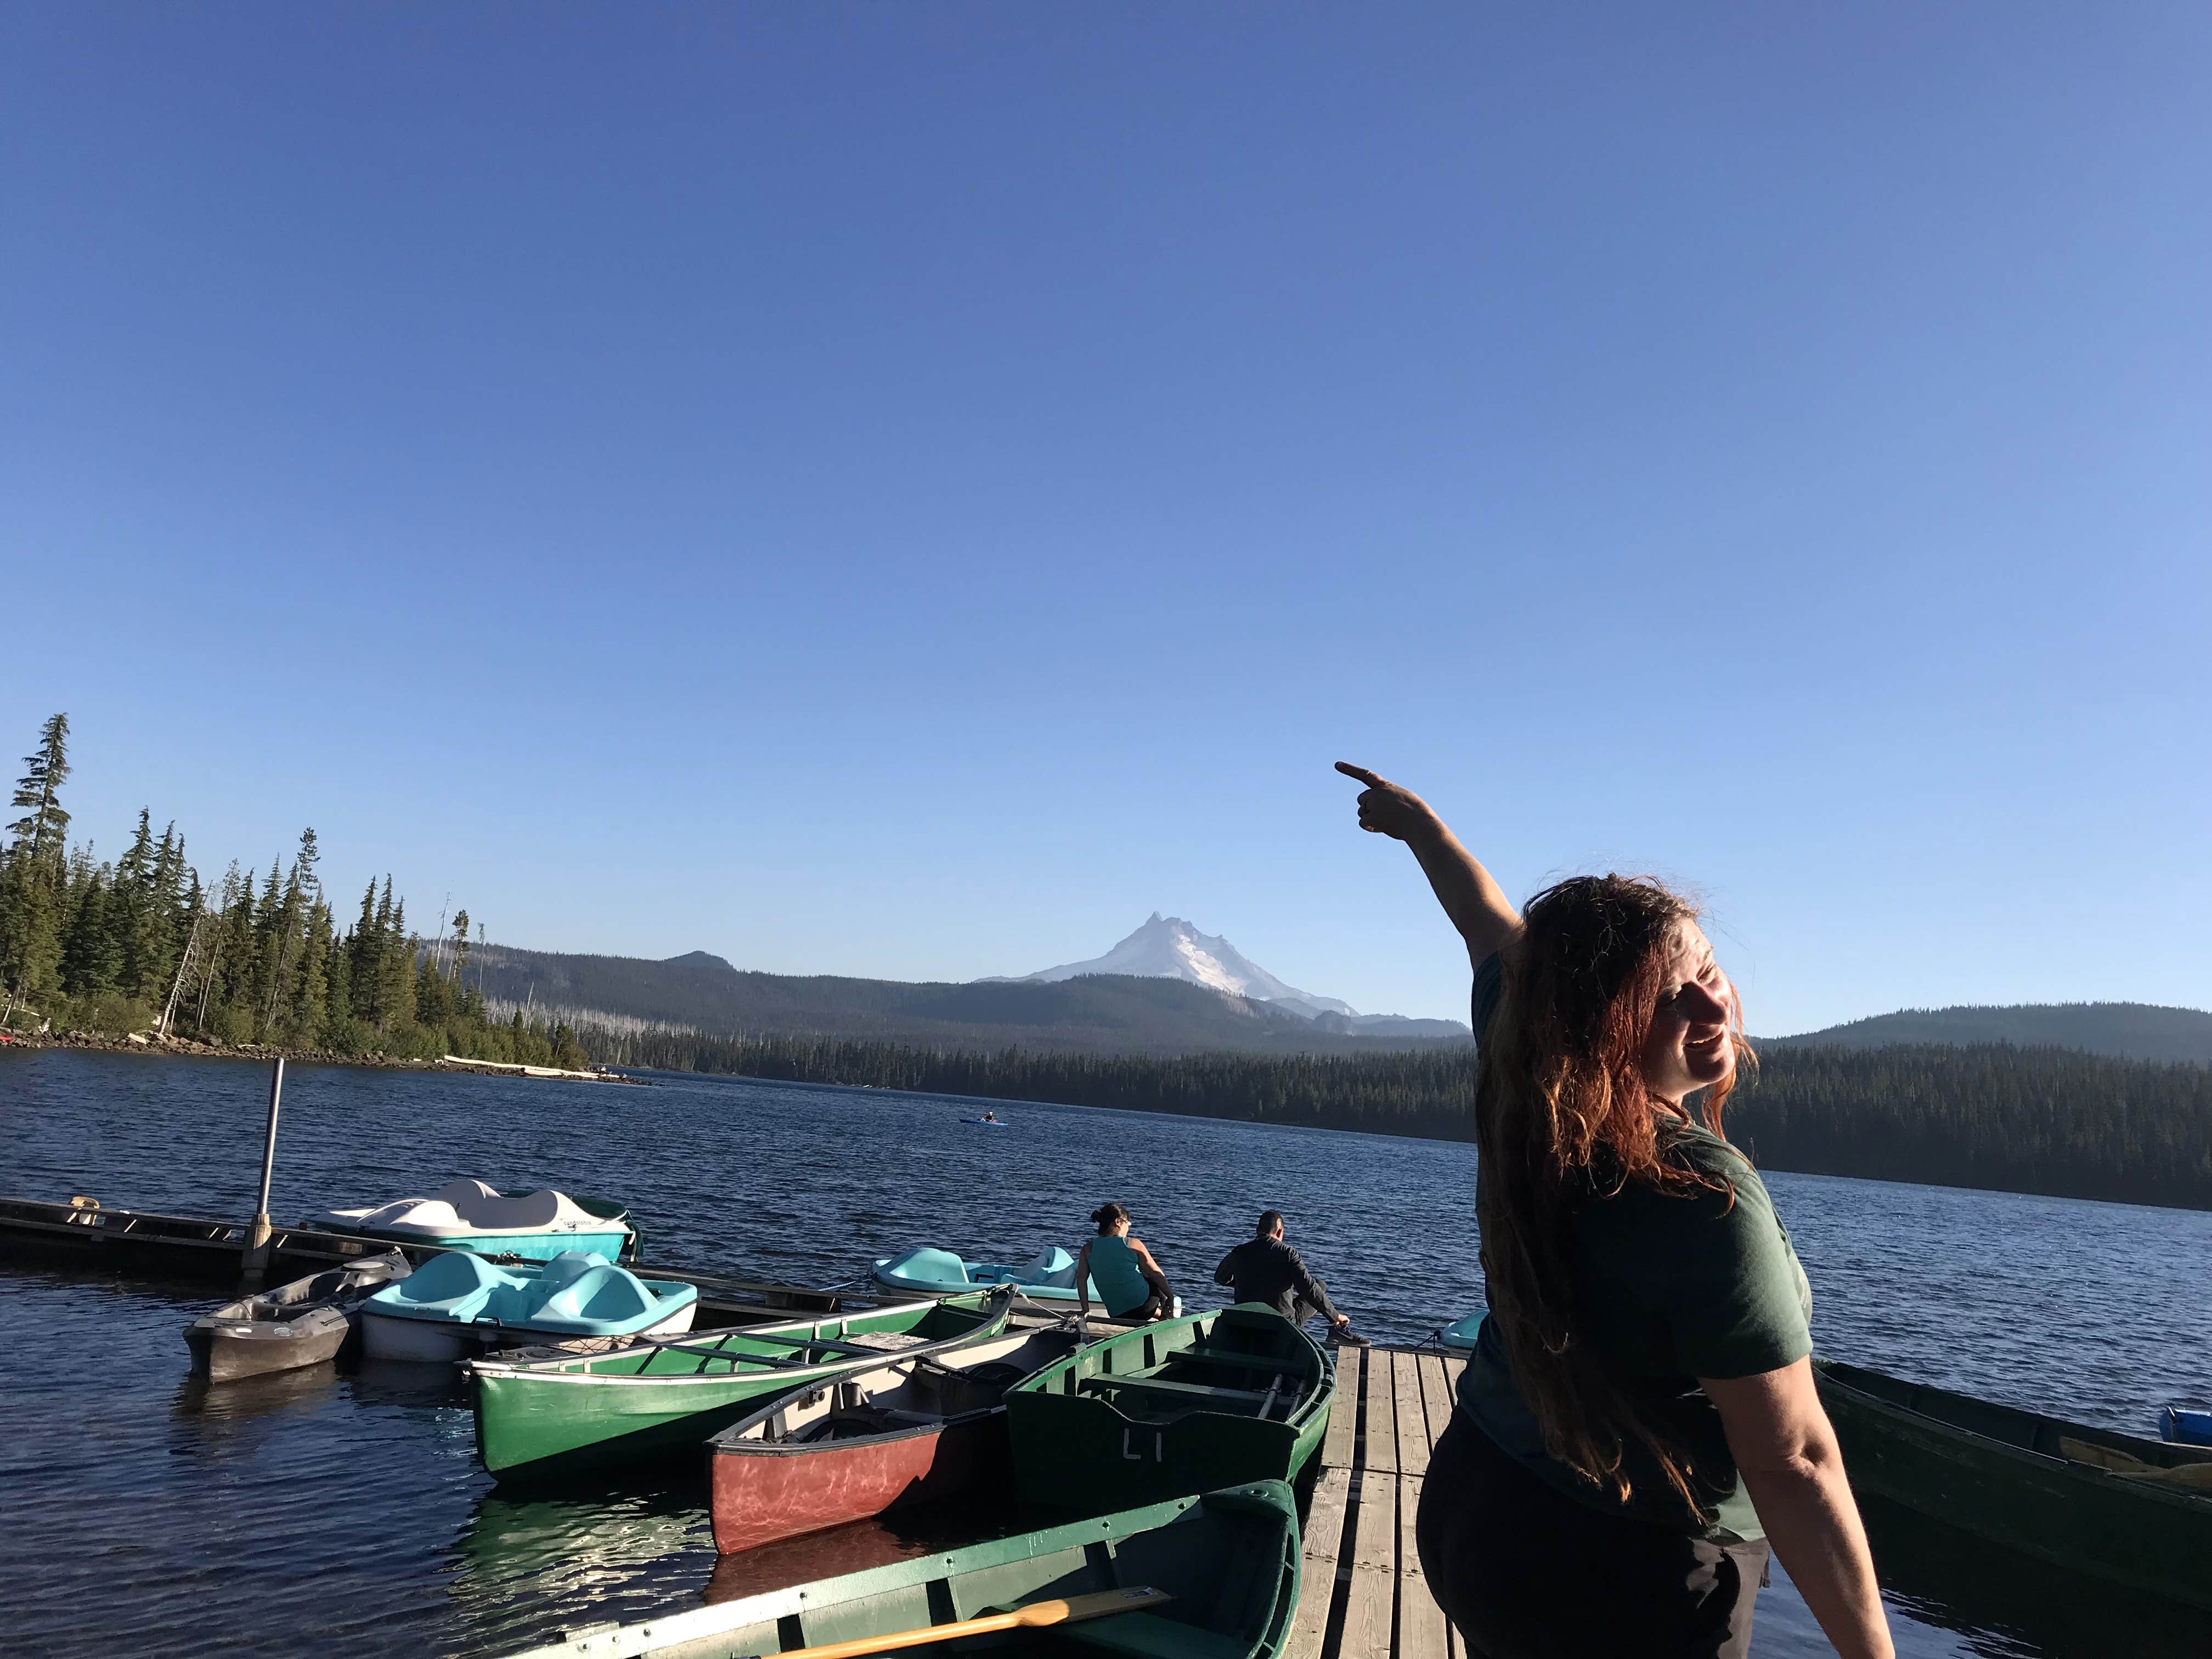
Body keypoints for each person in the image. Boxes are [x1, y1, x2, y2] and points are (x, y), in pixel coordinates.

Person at [1338, 761, 1893, 1659]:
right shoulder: (1701, 1194)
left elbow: (1487, 924)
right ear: (1597, 1019)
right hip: (1627, 1570)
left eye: (1709, 970)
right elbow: (1793, 1459)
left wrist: (1426, 833)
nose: (1713, 1003)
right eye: (1669, 991)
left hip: (1479, 1499)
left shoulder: (1532, 1082)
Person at [1214, 1210, 1368, 1345]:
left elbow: (1220, 1277)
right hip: (1281, 1324)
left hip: (1246, 1319)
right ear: (1280, 1232)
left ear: (1257, 1230)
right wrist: (1335, 1316)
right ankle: (1338, 1330)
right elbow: (1309, 1289)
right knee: (1319, 1285)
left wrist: (1245, 1282)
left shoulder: (1240, 1251)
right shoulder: (1288, 1254)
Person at [1075, 1202, 1175, 1322]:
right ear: (1118, 1222)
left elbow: (1081, 1279)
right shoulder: (1133, 1244)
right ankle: (1167, 1313)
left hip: (1117, 1313)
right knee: (1149, 1274)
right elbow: (1155, 1273)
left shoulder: (1087, 1249)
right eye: (1128, 1223)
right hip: (1145, 1307)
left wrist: (1085, 1310)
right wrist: (1170, 1297)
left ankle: (1161, 1316)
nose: (1129, 1227)